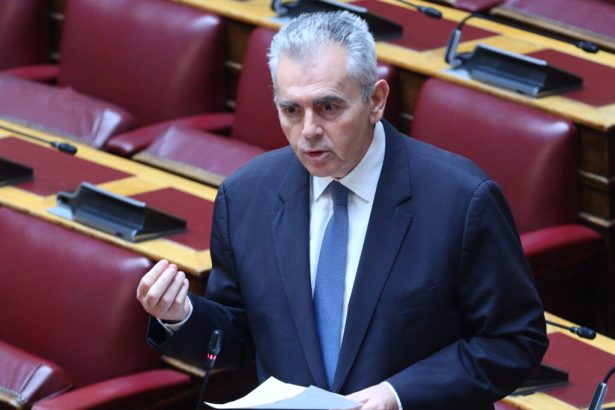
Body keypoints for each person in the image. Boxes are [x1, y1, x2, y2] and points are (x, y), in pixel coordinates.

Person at [137, 11, 548, 409]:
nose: (309, 131)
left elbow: (514, 340)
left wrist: (400, 395)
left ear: (376, 100)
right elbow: (240, 335)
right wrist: (181, 315)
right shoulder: (246, 197)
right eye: (291, 110)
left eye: (328, 107)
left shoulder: (461, 200)